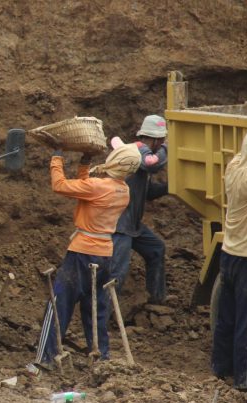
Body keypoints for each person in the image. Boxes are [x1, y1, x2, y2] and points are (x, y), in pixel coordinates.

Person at [34, 135, 141, 369]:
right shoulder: (123, 190)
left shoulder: (98, 186)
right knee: (96, 309)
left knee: (59, 302)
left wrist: (57, 157)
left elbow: (59, 185)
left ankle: (46, 356)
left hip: (81, 253)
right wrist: (84, 164)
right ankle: (101, 356)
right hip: (104, 254)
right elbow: (86, 191)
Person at [211, 128, 247, 391]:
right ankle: (244, 380)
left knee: (226, 318)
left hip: (229, 252)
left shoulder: (234, 168)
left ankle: (219, 368)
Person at [110, 115, 169, 304]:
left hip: (131, 224)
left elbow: (148, 192)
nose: (161, 144)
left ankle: (156, 300)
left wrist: (171, 187)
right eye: (160, 141)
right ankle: (104, 317)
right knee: (117, 272)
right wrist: (169, 148)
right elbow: (152, 165)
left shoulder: (140, 154)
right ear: (154, 139)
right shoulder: (137, 151)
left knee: (156, 249)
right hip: (119, 225)